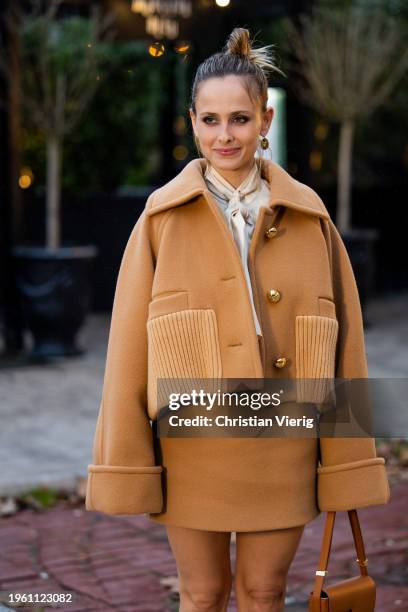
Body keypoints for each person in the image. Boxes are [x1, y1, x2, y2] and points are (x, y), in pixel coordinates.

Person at [85, 28, 390, 612]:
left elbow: (346, 350)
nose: (225, 135)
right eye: (211, 120)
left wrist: (346, 461)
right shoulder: (160, 220)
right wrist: (127, 458)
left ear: (265, 119)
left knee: (264, 592)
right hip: (190, 449)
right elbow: (126, 353)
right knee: (202, 594)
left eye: (240, 119)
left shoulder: (312, 220)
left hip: (284, 446)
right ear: (192, 122)